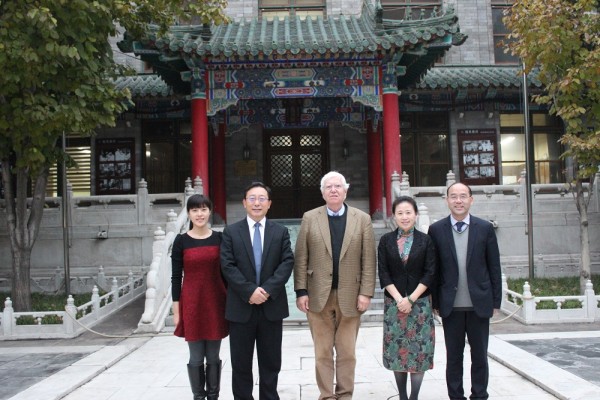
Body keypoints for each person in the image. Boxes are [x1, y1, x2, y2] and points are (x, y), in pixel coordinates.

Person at [294, 171, 376, 400]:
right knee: (322, 353)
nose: (333, 190)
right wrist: (301, 291)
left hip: (351, 295)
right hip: (317, 295)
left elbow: (369, 259)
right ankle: (327, 395)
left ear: (345, 191)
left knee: (347, 352)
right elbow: (301, 256)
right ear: (322, 193)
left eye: (338, 186)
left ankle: (345, 394)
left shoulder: (362, 219)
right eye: (328, 187)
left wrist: (366, 293)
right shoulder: (310, 218)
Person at [220, 182, 294, 400]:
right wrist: (249, 291)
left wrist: (267, 290)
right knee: (240, 363)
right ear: (244, 203)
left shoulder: (280, 232)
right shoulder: (231, 232)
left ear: (269, 204)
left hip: (271, 307)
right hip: (241, 307)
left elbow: (287, 262)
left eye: (262, 199)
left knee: (271, 362)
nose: (257, 203)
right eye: (252, 198)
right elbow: (227, 265)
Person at [428, 182, 502, 400]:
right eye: (453, 196)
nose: (458, 201)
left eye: (462, 196)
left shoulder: (485, 228)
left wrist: (496, 301)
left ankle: (479, 395)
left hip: (479, 303)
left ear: (471, 199)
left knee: (480, 356)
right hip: (451, 306)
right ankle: (456, 396)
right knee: (453, 357)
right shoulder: (436, 230)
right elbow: (434, 269)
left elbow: (494, 266)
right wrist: (435, 302)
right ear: (447, 200)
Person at [378, 196, 436, 400]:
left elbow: (430, 272)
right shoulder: (386, 240)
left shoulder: (426, 240)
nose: (404, 217)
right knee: (398, 350)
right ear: (394, 216)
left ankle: (414, 396)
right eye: (400, 213)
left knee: (420, 350)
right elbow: (383, 272)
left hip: (420, 304)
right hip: (394, 304)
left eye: (408, 212)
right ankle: (402, 395)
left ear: (416, 215)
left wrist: (410, 299)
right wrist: (399, 299)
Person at [171, 194, 228, 400]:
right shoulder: (181, 241)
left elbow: (227, 273)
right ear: (188, 213)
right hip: (192, 304)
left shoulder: (220, 239)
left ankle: (213, 396)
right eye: (195, 210)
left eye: (204, 209)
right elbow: (176, 277)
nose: (199, 214)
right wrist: (176, 311)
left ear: (210, 211)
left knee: (213, 356)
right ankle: (198, 396)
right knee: (195, 357)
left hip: (215, 303)